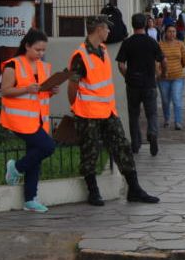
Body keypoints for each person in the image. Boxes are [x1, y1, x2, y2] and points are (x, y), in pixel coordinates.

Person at [68, 15, 159, 206]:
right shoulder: (81, 55)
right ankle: (93, 191)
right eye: (107, 28)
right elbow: (72, 86)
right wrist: (75, 108)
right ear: (98, 29)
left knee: (122, 146)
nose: (109, 31)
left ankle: (134, 189)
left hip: (108, 111)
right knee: (90, 151)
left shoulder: (102, 50)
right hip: (88, 113)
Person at [0, 28, 58, 213]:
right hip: (18, 119)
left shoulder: (43, 66)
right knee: (48, 147)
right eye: (37, 50)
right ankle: (15, 168)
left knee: (36, 156)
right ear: (27, 46)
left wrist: (51, 90)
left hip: (38, 119)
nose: (41, 53)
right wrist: (27, 89)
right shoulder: (13, 65)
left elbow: (41, 92)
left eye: (43, 50)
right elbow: (6, 90)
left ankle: (30, 199)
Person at [116, 13, 166, 156]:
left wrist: (127, 75)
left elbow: (120, 64)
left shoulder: (127, 42)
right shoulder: (152, 42)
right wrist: (162, 74)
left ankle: (136, 144)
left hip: (133, 84)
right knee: (152, 113)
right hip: (149, 83)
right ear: (145, 24)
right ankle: (152, 132)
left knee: (134, 114)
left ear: (132, 25)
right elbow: (163, 60)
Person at [158, 25, 185, 130]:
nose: (172, 34)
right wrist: (158, 73)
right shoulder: (160, 45)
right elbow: (156, 61)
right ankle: (167, 119)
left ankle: (178, 121)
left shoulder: (180, 44)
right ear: (165, 33)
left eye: (174, 31)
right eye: (170, 31)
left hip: (178, 76)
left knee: (176, 99)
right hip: (163, 78)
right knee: (165, 100)